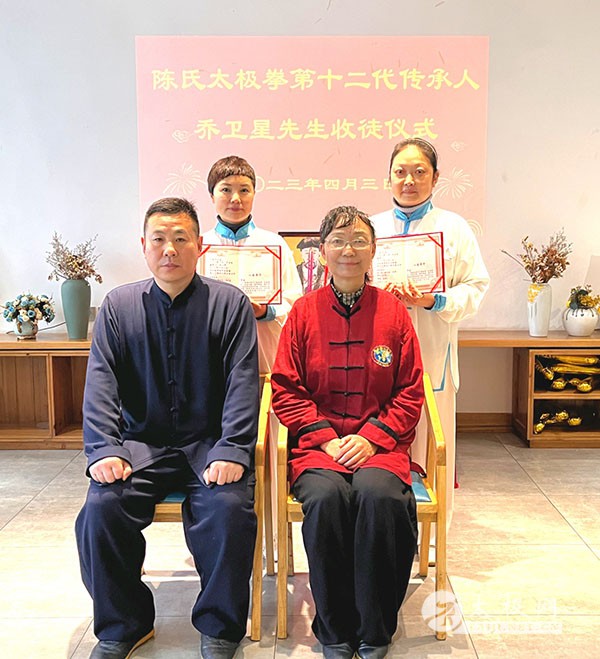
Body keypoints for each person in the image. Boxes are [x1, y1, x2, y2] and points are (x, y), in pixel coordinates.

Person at [75, 197, 259, 659]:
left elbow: (243, 382)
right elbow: (101, 382)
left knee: (229, 512)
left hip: (209, 446)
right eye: (159, 239)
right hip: (141, 446)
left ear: (200, 245)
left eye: (181, 238)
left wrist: (233, 449)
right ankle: (124, 625)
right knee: (100, 511)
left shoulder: (229, 304)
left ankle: (220, 627)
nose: (169, 249)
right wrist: (104, 449)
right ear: (144, 246)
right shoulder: (118, 306)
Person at [271, 206, 424, 659]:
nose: (348, 250)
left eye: (359, 240)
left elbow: (410, 390)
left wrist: (371, 438)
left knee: (380, 497)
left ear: (373, 250)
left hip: (380, 447)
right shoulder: (302, 313)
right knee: (325, 499)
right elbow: (285, 389)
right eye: (338, 240)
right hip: (320, 448)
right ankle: (335, 628)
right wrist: (326, 437)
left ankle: (375, 628)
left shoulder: (394, 313)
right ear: (322, 250)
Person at [370, 138, 490, 525]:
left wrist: (433, 300)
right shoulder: (371, 227)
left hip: (433, 352)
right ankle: (381, 531)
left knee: (433, 446)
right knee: (380, 443)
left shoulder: (454, 228)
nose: (409, 180)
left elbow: (476, 288)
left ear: (436, 178)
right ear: (388, 177)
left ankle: (433, 540)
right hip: (378, 353)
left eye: (419, 172)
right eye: (400, 172)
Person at [201, 155, 302, 374]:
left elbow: (294, 302)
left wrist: (265, 311)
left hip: (265, 356)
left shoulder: (274, 244)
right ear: (211, 195)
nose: (235, 198)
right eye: (226, 190)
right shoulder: (199, 246)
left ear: (254, 194)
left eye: (244, 190)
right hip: (211, 358)